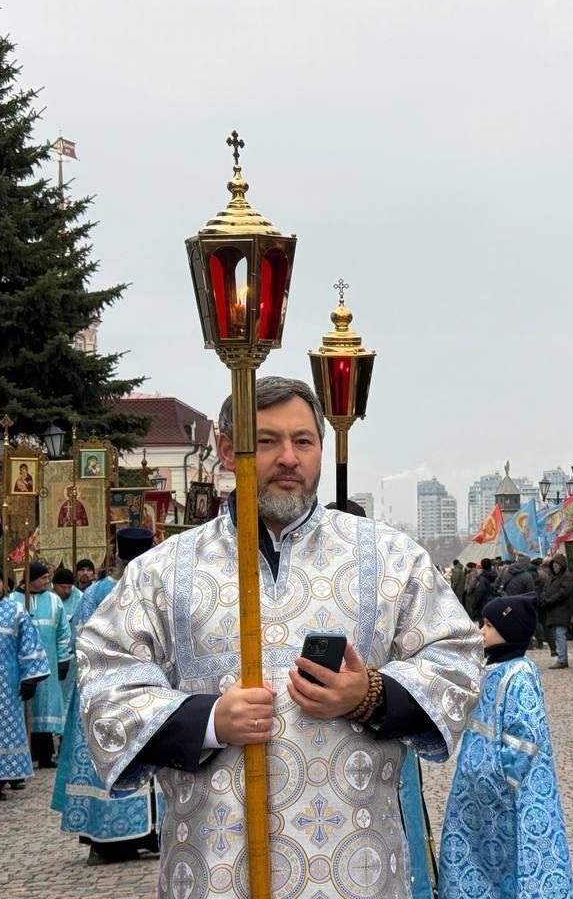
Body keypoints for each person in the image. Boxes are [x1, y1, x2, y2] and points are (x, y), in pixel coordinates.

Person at [77, 376, 484, 899]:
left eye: (304, 441)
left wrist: (370, 696)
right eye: (266, 441)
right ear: (228, 450)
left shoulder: (390, 557)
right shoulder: (162, 572)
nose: (288, 457)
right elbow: (105, 682)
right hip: (214, 863)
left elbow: (456, 657)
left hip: (353, 866)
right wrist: (208, 720)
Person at [437, 593, 573, 899]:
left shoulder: (519, 674)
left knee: (515, 855)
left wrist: (503, 777)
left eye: (488, 625)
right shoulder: (492, 669)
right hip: (478, 791)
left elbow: (525, 735)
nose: (481, 631)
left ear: (510, 630)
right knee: (477, 855)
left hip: (509, 793)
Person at [52, 528, 162, 865]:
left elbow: (78, 638)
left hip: (128, 690)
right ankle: (116, 838)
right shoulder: (152, 586)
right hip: (116, 691)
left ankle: (132, 836)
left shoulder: (96, 592)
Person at [0, 565, 48, 800]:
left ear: (4, 584)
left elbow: (29, 645)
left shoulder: (16, 611)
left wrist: (30, 679)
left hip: (5, 688)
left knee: (3, 732)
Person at [13, 559, 71, 768]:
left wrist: (64, 658)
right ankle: (25, 755)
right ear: (31, 580)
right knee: (26, 708)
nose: (48, 581)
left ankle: (45, 754)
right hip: (21, 665)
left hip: (49, 662)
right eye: (43, 578)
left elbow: (63, 631)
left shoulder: (54, 601)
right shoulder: (14, 600)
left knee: (46, 705)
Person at [52, 566, 82, 717]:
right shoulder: (50, 599)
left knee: (69, 691)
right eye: (63, 587)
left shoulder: (80, 597)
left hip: (73, 654)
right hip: (51, 652)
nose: (67, 591)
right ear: (54, 585)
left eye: (69, 587)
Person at [542, 554, 573, 669]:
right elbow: (547, 589)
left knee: (560, 634)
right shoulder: (553, 576)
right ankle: (561, 658)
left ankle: (562, 660)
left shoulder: (567, 577)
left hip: (561, 609)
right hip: (553, 610)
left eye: (557, 564)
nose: (555, 566)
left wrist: (550, 600)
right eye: (554, 564)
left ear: (562, 565)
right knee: (557, 634)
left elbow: (563, 593)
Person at [467, 557, 496, 622]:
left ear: (482, 566)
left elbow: (479, 593)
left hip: (483, 605)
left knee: (483, 625)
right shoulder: (497, 575)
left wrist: (474, 605)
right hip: (494, 603)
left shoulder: (483, 578)